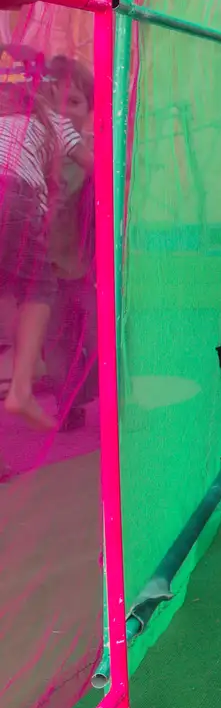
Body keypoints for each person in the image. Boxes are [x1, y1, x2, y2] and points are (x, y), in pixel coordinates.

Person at [0, 45, 92, 430]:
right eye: (61, 97)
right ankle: (23, 389)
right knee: (40, 297)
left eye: (76, 101)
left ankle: (61, 393)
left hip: (74, 263)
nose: (65, 108)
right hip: (16, 207)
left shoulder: (10, 122)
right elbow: (99, 169)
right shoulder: (54, 125)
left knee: (55, 322)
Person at [42, 55, 96, 430]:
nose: (63, 113)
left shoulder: (92, 151)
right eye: (53, 102)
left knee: (97, 334)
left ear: (89, 111)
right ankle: (68, 402)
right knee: (54, 343)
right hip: (46, 269)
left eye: (73, 103)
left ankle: (109, 397)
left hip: (86, 266)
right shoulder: (38, 149)